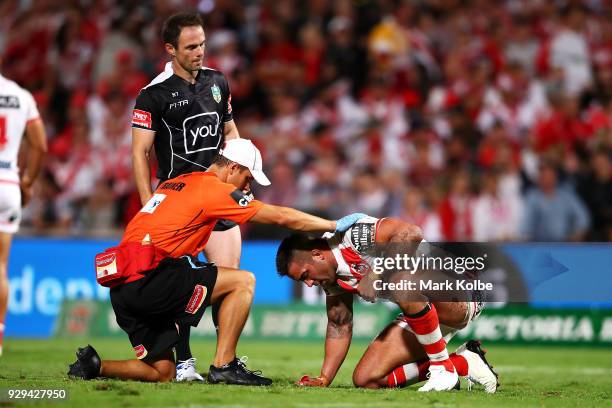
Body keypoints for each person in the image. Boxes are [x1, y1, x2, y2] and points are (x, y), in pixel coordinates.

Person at [68, 138, 364, 384]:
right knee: (242, 281)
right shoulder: (213, 188)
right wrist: (331, 225)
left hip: (123, 287)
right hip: (151, 277)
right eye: (247, 178)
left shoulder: (176, 183)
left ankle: (95, 365)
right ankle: (224, 365)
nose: (247, 187)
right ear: (232, 167)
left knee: (163, 373)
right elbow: (281, 216)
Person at [131, 13, 243, 380]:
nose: (199, 52)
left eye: (202, 44)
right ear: (170, 49)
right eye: (191, 46)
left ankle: (224, 363)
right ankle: (183, 361)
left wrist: (241, 172)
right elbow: (139, 153)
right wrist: (149, 203)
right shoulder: (153, 94)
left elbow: (229, 131)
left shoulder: (218, 82)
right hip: (177, 203)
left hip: (218, 198)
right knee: (177, 285)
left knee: (231, 281)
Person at [275, 215, 498, 392]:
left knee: (399, 281)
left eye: (306, 275)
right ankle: (463, 362)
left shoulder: (351, 236)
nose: (310, 283)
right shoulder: (332, 280)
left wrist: (375, 274)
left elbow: (410, 232)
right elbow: (339, 324)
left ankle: (442, 369)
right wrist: (324, 378)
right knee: (367, 378)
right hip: (422, 308)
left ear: (317, 254)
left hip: (461, 288)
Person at [0, 67, 47, 356]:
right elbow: (39, 145)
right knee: (0, 266)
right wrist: (27, 182)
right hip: (7, 184)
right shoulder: (20, 95)